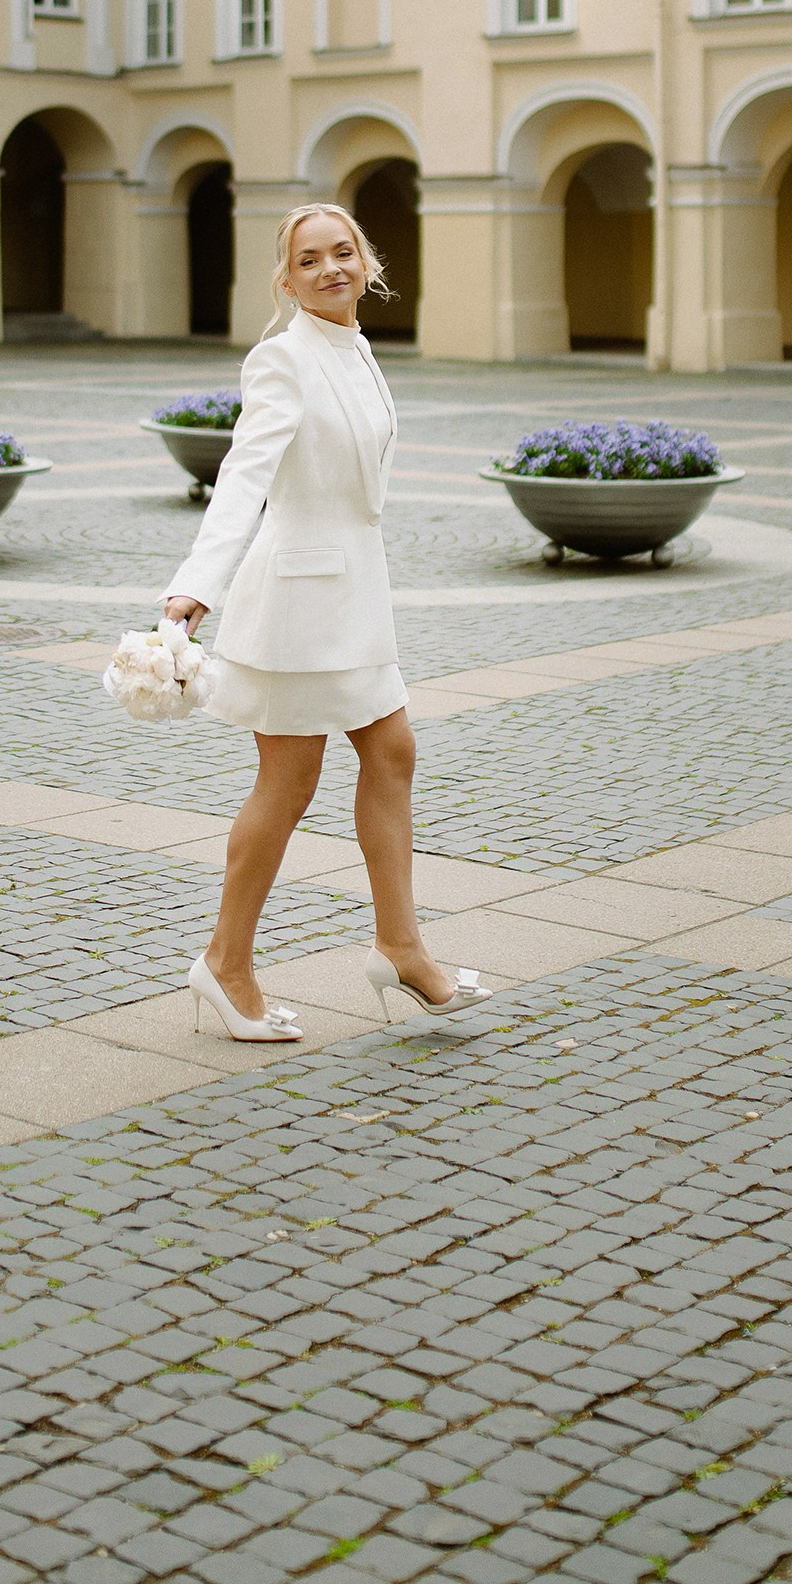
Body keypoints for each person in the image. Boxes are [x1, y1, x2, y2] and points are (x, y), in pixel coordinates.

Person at [162, 202, 490, 1041]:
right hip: (300, 603)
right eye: (309, 260)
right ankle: (226, 965)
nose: (330, 269)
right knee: (289, 780)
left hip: (353, 596)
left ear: (366, 260)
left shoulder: (355, 346)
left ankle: (399, 945)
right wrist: (198, 582)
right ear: (287, 278)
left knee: (392, 750)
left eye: (343, 252)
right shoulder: (283, 359)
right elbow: (244, 476)